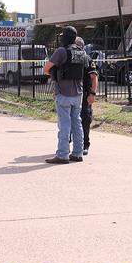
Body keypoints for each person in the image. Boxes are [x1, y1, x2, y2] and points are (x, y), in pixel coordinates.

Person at [43, 25, 90, 164]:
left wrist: (54, 72)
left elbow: (46, 68)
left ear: (64, 37)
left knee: (64, 125)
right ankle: (77, 153)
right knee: (77, 124)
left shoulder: (61, 51)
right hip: (78, 94)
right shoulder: (81, 52)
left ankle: (63, 155)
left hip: (63, 93)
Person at [73, 37, 98, 156]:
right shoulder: (71, 59)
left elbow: (94, 77)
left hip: (85, 95)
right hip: (73, 94)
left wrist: (92, 94)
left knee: (85, 120)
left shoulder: (87, 59)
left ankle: (85, 145)